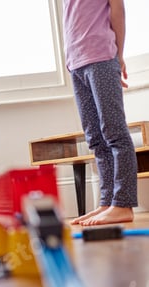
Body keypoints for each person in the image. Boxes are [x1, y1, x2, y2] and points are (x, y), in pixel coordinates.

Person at [63, 0, 138, 226]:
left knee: (114, 131)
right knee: (95, 138)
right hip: (76, 62)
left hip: (101, 57)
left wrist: (119, 55)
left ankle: (123, 204)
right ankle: (107, 202)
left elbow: (118, 10)